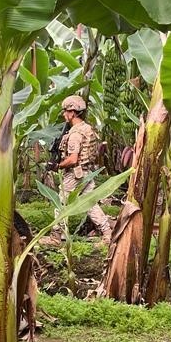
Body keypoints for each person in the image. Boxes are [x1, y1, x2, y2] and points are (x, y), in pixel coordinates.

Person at [56, 95, 112, 243]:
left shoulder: (75, 133)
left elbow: (73, 159)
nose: (64, 115)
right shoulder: (87, 129)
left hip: (75, 174)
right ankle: (107, 232)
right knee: (90, 203)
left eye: (66, 111)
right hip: (86, 172)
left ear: (73, 112)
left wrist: (58, 165)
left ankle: (57, 235)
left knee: (62, 201)